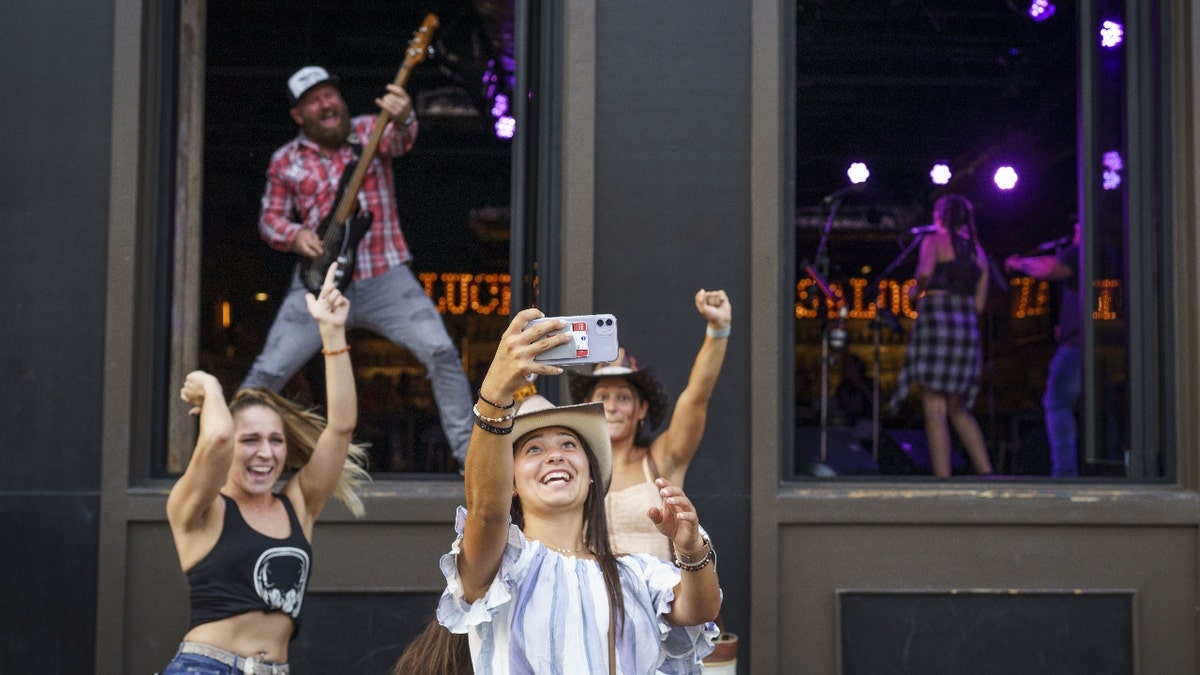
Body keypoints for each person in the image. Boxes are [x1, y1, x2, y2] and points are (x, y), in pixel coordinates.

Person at [404, 309, 721, 674]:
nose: (554, 455)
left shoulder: (637, 573)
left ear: (590, 474)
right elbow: (486, 512)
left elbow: (700, 609)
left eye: (568, 444)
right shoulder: (503, 566)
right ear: (510, 484)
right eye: (533, 449)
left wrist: (691, 548)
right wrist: (495, 391)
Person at [241, 64, 474, 467]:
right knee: (266, 375)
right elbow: (269, 219)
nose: (326, 104)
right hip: (321, 286)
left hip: (385, 274)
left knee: (440, 351)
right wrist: (295, 235)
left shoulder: (368, 131)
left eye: (330, 94)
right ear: (299, 116)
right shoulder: (285, 160)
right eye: (313, 101)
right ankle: (225, 458)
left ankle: (472, 460)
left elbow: (401, 139)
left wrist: (404, 115)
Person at [162, 263, 370, 674]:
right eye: (251, 440)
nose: (265, 453)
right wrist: (208, 386)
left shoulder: (298, 505)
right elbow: (219, 436)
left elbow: (341, 427)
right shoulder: (200, 508)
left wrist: (331, 332)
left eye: (275, 440)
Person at [566, 289, 731, 562]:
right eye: (603, 396)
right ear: (588, 405)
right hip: (591, 603)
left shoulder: (660, 461)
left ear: (641, 408)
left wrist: (718, 329)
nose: (612, 406)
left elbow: (697, 397)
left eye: (623, 397)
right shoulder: (572, 464)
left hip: (656, 603)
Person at [889, 194, 994, 478]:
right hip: (966, 329)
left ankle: (942, 480)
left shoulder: (933, 240)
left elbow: (923, 274)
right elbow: (980, 306)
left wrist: (913, 292)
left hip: (937, 321)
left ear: (940, 216)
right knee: (957, 407)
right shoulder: (979, 253)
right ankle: (987, 472)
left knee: (934, 405)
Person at [1005, 222, 1082, 477]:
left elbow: (1052, 268)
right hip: (1093, 343)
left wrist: (1019, 263)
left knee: (1057, 402)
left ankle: (1065, 473)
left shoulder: (1082, 251)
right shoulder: (1114, 252)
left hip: (1077, 345)